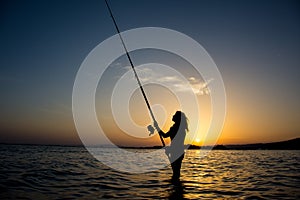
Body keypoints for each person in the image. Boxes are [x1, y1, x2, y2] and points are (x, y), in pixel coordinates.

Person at [154, 111, 189, 181]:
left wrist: (157, 127)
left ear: (178, 118)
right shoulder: (182, 129)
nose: (173, 116)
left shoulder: (175, 128)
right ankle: (177, 187)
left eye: (175, 115)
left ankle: (175, 186)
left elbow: (165, 136)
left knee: (175, 172)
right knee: (176, 172)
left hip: (175, 152)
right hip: (179, 152)